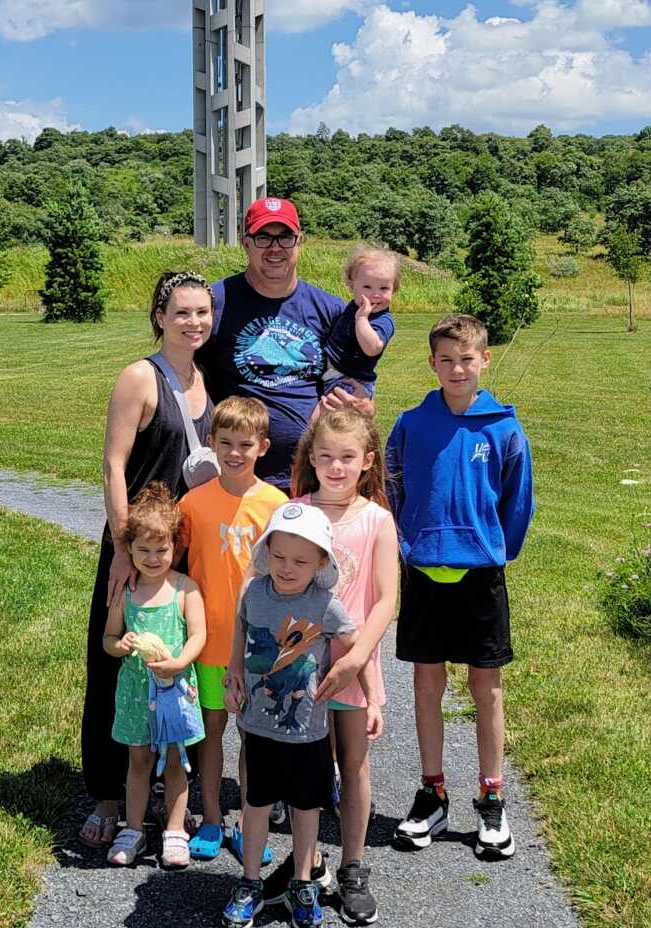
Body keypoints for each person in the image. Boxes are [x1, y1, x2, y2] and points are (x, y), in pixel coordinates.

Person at [386, 313, 534, 861]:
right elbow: (392, 481)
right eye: (445, 359)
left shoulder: (503, 427)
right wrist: (405, 541)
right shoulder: (411, 423)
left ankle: (491, 798)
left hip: (481, 574)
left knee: (485, 686)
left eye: (466, 359)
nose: (456, 369)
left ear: (484, 360)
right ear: (431, 363)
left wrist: (497, 549)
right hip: (423, 569)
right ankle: (432, 793)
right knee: (428, 684)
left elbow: (518, 500)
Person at [78, 271, 214, 850]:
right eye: (182, 312)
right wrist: (120, 546)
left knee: (175, 665)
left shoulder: (205, 380)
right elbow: (113, 465)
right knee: (113, 665)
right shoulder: (141, 376)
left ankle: (164, 783)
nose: (194, 322)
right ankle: (108, 797)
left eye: (203, 312)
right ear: (160, 317)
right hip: (135, 546)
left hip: (182, 552)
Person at [261, 407, 396, 925]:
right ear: (310, 458)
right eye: (325, 457)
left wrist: (359, 658)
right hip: (298, 666)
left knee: (354, 763)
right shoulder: (295, 512)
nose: (335, 467)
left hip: (354, 666)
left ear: (366, 461)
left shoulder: (377, 519)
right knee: (306, 765)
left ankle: (354, 865)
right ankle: (307, 861)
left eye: (347, 458)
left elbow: (386, 599)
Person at [223, 502, 378, 928]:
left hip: (308, 733)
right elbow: (241, 630)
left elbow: (356, 651)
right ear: (266, 551)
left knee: (306, 809)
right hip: (257, 727)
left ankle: (303, 882)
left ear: (321, 563)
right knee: (255, 804)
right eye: (278, 557)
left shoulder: (326, 605)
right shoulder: (254, 593)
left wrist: (374, 700)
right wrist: (233, 673)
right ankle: (250, 882)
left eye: (300, 561)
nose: (287, 568)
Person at [177, 395, 287, 863]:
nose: (235, 453)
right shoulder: (193, 504)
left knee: (251, 738)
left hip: (259, 649)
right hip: (206, 643)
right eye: (226, 443)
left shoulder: (277, 504)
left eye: (246, 444)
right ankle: (211, 819)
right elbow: (175, 568)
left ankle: (248, 821)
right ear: (212, 443)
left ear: (263, 446)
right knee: (209, 732)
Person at [198, 197, 371, 493]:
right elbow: (182, 370)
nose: (275, 247)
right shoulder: (216, 303)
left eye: (285, 237)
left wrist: (362, 404)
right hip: (238, 482)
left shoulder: (331, 310)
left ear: (299, 242)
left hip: (311, 480)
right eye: (263, 237)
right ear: (245, 243)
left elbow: (355, 379)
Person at [103, 484, 206, 868]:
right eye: (143, 550)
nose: (152, 558)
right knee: (140, 761)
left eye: (161, 550)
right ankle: (133, 828)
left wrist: (180, 662)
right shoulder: (125, 593)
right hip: (134, 692)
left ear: (174, 548)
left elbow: (199, 635)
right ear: (129, 549)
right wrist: (122, 643)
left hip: (176, 690)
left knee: (177, 760)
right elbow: (108, 640)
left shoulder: (185, 589)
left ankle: (175, 830)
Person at [323, 246, 400, 396]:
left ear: (394, 289)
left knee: (335, 417)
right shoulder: (352, 308)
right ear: (352, 285)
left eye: (384, 288)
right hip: (333, 374)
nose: (375, 294)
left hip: (351, 382)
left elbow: (373, 348)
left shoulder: (382, 320)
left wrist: (362, 319)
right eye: (367, 287)